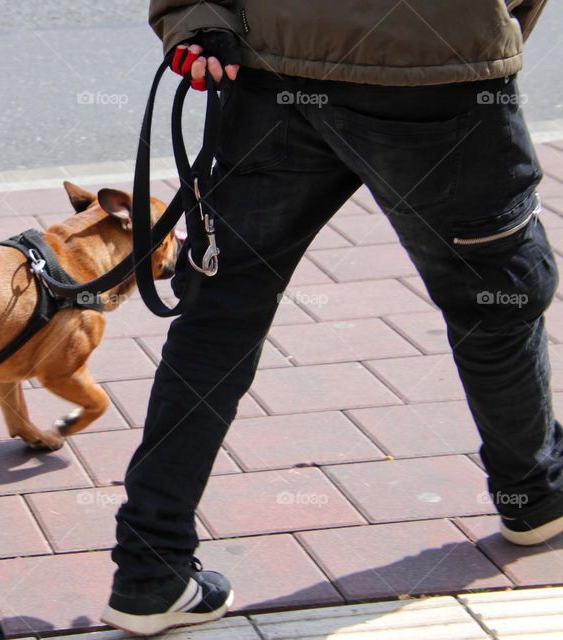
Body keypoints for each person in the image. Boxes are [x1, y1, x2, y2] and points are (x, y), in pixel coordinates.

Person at [101, 1, 559, 635]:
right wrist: (479, 31)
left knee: (220, 316)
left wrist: (198, 21)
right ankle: (533, 492)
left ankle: (149, 570)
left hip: (266, 68)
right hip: (433, 73)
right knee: (494, 297)